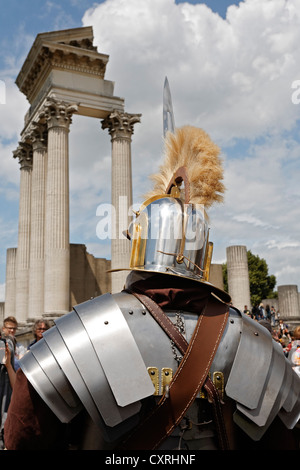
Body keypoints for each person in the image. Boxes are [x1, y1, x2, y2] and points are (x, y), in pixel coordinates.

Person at [4, 125, 300, 450]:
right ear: (203, 253)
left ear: (139, 245)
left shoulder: (82, 334)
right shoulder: (257, 342)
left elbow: (22, 436)